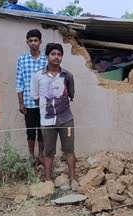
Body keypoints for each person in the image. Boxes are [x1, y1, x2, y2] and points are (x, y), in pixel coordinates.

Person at [30, 43, 78, 190]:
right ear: (47, 56)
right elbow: (35, 97)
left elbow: (71, 94)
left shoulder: (67, 75)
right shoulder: (38, 76)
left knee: (69, 149)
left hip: (66, 119)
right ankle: (48, 180)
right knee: (48, 151)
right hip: (47, 120)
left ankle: (73, 179)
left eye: (59, 54)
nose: (56, 57)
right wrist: (48, 107)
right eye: (53, 54)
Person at [16, 29, 48, 165]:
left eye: (36, 40)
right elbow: (19, 82)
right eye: (31, 41)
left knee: (43, 130)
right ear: (27, 42)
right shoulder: (22, 60)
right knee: (30, 130)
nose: (33, 43)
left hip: (44, 103)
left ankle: (41, 155)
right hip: (28, 103)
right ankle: (31, 156)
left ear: (40, 42)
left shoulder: (46, 60)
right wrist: (21, 103)